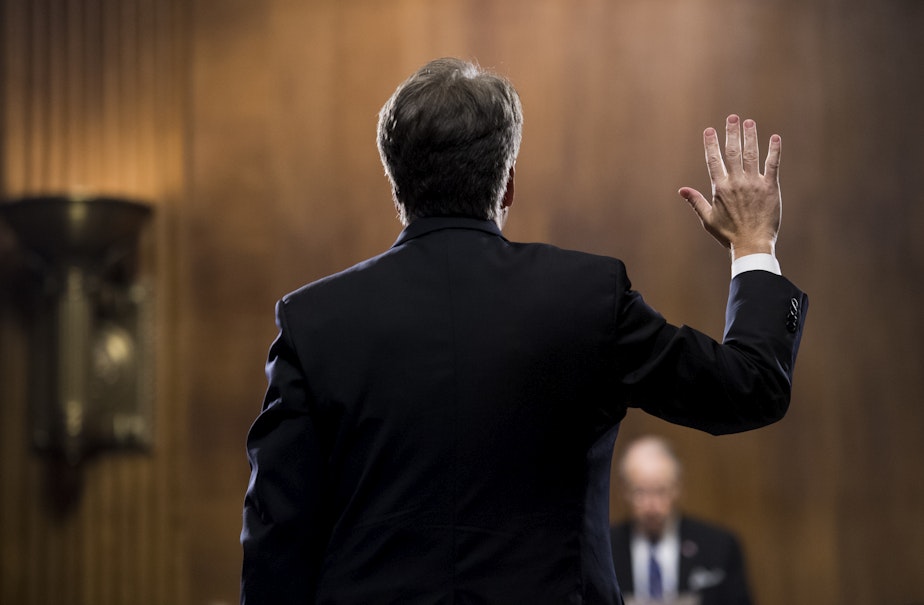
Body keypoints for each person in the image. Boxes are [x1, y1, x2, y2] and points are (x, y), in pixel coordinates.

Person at [240, 57, 808, 605]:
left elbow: (276, 541)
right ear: (507, 182)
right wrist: (753, 245)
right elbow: (748, 388)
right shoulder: (587, 297)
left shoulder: (312, 321)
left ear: (396, 184)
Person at [610, 435, 754, 605]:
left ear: (677, 488)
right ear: (624, 492)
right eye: (640, 492)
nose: (651, 505)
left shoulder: (719, 545)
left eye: (660, 491)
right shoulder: (606, 549)